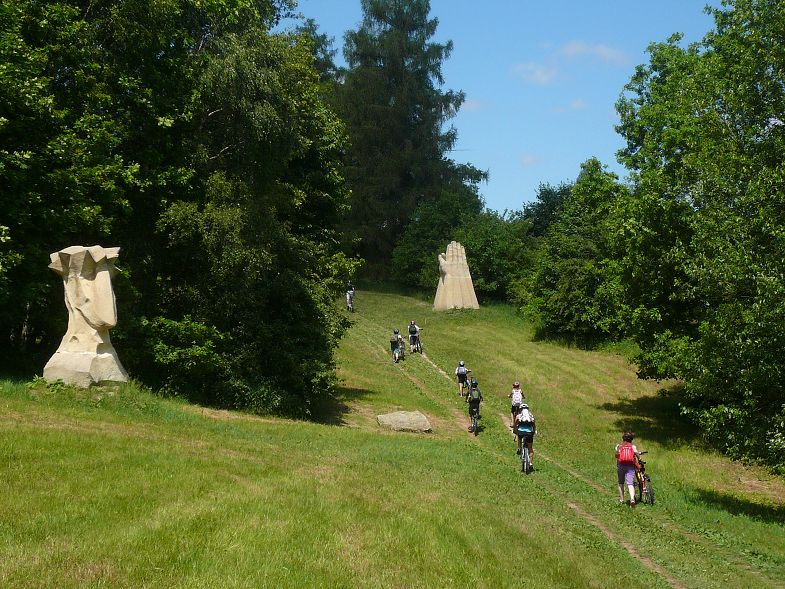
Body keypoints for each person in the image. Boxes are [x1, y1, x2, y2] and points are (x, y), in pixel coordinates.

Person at [615, 432, 640, 507]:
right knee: (630, 483)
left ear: (623, 439)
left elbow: (617, 456)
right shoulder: (633, 446)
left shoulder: (619, 446)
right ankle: (632, 499)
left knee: (621, 483)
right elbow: (637, 454)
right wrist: (640, 458)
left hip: (621, 466)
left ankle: (622, 499)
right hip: (630, 466)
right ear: (631, 440)